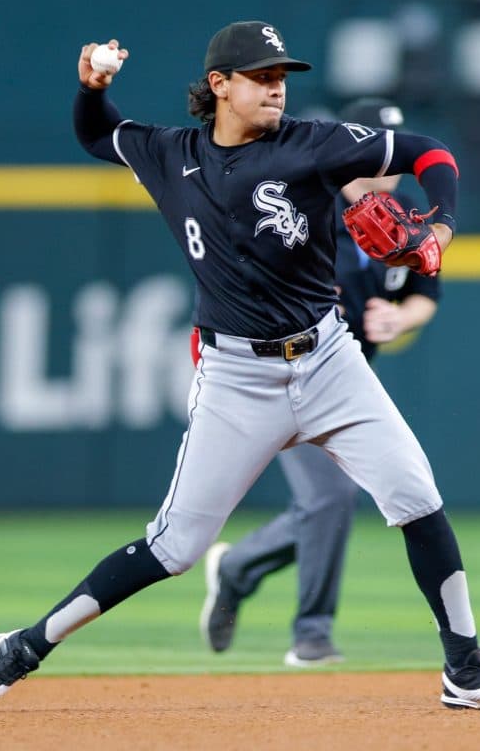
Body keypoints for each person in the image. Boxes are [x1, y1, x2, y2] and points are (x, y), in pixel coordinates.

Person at [0, 20, 480, 712]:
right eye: (262, 77)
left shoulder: (316, 145)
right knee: (174, 548)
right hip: (237, 379)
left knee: (417, 497)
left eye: (282, 77)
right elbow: (95, 133)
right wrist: (91, 87)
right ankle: (21, 648)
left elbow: (430, 153)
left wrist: (439, 228)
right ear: (220, 86)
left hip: (327, 360)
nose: (276, 89)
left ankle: (466, 668)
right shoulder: (167, 154)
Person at [199, 97, 444, 667]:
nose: (386, 168)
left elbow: (425, 297)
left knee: (334, 503)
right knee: (330, 496)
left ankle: (238, 567)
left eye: (392, 154)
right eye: (375, 152)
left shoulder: (401, 214)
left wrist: (399, 317)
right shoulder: (302, 203)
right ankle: (312, 634)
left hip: (348, 381)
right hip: (279, 374)